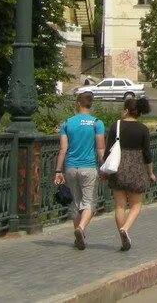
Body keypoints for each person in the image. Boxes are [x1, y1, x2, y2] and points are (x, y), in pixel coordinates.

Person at [104, 96, 156, 252]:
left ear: (126, 110)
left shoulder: (116, 126)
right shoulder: (143, 129)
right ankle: (125, 229)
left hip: (118, 168)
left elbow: (108, 151)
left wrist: (104, 170)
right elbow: (147, 155)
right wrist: (151, 173)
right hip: (136, 169)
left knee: (119, 206)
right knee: (136, 204)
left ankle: (123, 238)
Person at [54, 91, 105, 250]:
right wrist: (103, 167)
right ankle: (81, 229)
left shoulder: (67, 123)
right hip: (88, 167)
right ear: (90, 104)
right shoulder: (97, 123)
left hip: (70, 167)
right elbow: (100, 148)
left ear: (78, 103)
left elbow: (63, 149)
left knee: (76, 203)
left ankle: (78, 239)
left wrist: (58, 171)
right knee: (89, 203)